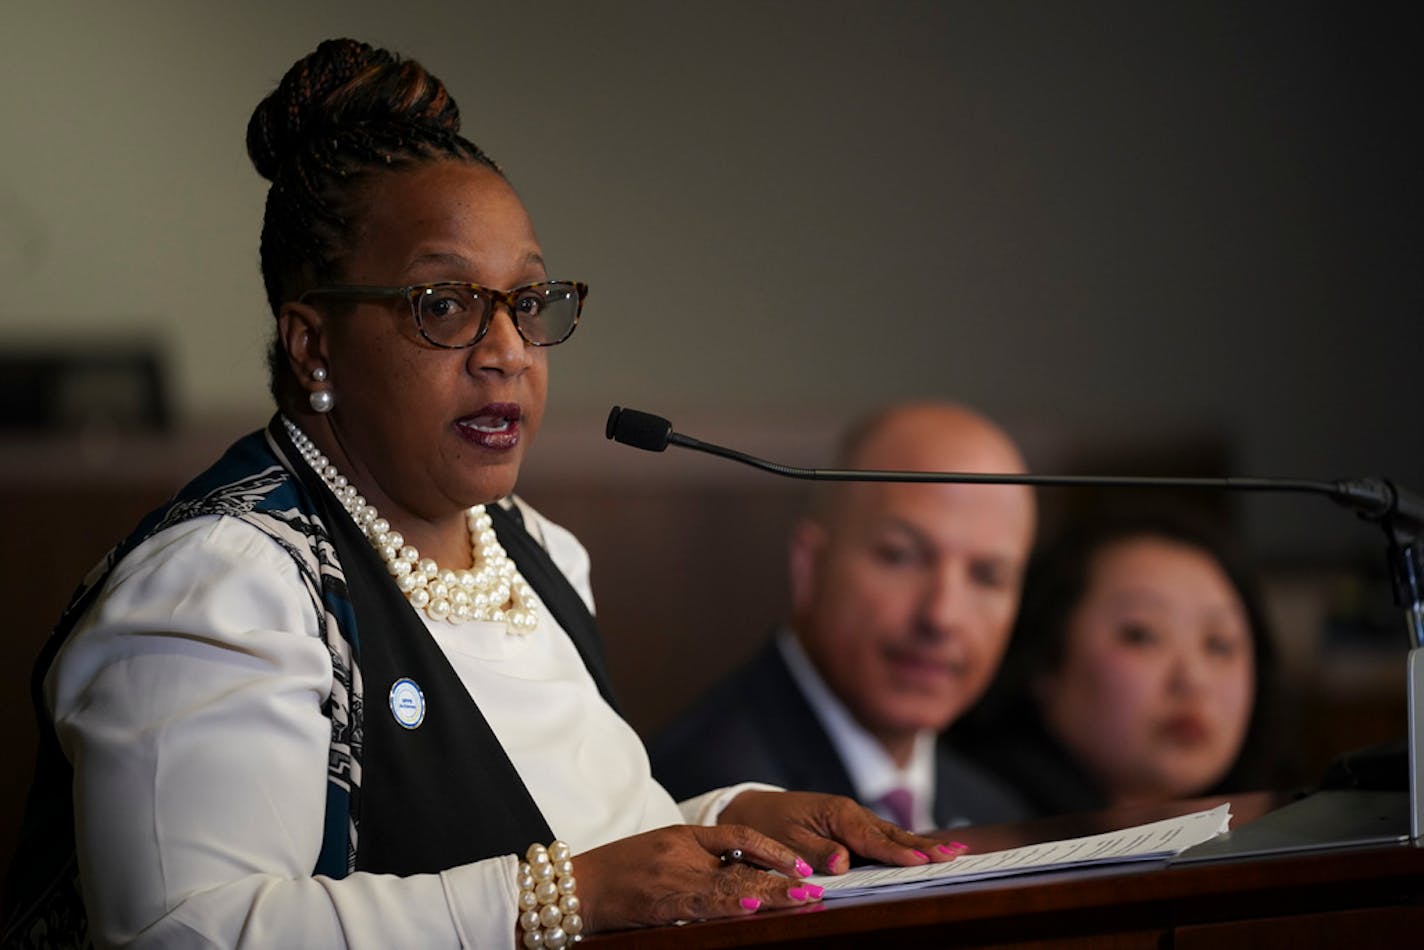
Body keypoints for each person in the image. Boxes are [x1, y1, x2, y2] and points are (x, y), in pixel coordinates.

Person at [0, 38, 964, 949]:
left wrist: (726, 822)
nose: (506, 352)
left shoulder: (530, 546)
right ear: (314, 347)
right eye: (444, 306)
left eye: (527, 301)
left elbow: (540, 835)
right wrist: (566, 901)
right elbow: (185, 931)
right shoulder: (223, 584)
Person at [649, 402, 1037, 831]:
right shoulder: (706, 801)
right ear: (808, 565)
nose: (942, 616)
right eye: (901, 556)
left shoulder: (997, 811)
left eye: (987, 576)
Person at [953, 509, 1280, 816]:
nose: (1194, 678)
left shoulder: (1279, 834)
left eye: (1220, 645)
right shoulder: (969, 820)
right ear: (1045, 658)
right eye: (1143, 635)